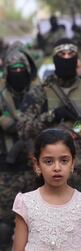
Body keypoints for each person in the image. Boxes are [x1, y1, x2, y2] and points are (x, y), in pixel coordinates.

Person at [17, 38, 81, 194]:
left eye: (71, 54)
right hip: (47, 174)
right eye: (62, 54)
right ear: (55, 59)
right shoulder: (40, 92)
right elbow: (23, 129)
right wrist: (52, 115)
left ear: (77, 59)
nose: (66, 58)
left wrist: (77, 130)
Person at [12, 128, 81, 251]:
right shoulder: (25, 203)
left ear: (72, 163)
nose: (57, 168)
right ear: (37, 165)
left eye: (64, 161)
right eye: (49, 161)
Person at [0, 46, 38, 251]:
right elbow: (8, 125)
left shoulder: (36, 95)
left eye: (20, 68)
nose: (17, 73)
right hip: (7, 168)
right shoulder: (2, 96)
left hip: (34, 167)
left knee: (36, 224)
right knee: (5, 225)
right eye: (13, 69)